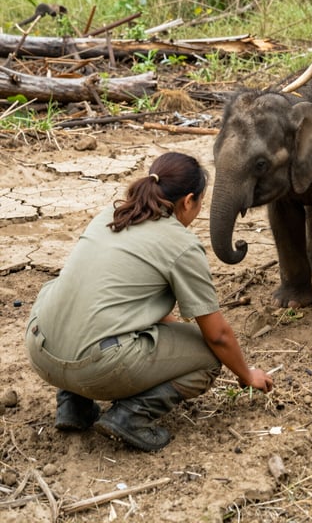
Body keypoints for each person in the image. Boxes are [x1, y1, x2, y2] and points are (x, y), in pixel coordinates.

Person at [25, 152, 273, 452]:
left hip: (41, 349)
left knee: (71, 296)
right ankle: (130, 416)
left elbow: (120, 301)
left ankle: (73, 404)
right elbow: (218, 335)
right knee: (209, 356)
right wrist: (247, 374)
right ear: (189, 201)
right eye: (201, 204)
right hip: (95, 366)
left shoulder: (109, 215)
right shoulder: (181, 245)